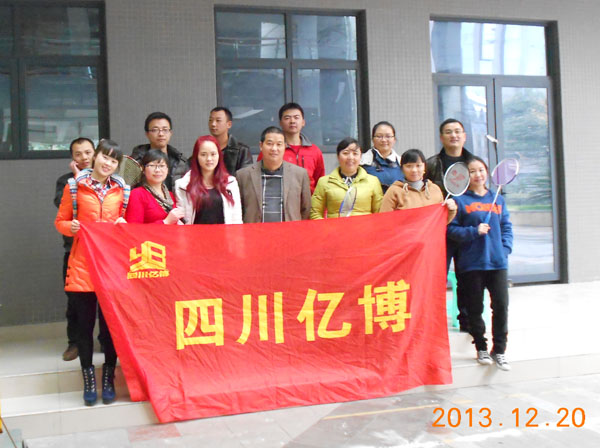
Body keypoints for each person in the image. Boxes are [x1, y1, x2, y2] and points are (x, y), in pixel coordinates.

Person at [55, 139, 127, 406]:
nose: (108, 163)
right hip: (83, 265)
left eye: (113, 160)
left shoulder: (122, 190)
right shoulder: (74, 186)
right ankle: (89, 380)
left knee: (110, 329)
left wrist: (124, 224)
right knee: (84, 327)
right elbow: (60, 221)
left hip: (111, 267)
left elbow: (126, 224)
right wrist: (69, 227)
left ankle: (108, 378)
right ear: (95, 157)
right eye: (105, 157)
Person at [448, 157, 513, 371]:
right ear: (466, 176)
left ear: (487, 172)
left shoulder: (498, 199)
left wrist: (504, 250)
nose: (478, 175)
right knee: (475, 308)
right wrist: (474, 231)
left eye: (481, 170)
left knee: (501, 306)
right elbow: (451, 230)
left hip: (497, 263)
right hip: (471, 264)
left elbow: (506, 227)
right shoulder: (459, 201)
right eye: (472, 171)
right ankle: (481, 347)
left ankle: (500, 350)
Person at [426, 118, 475, 331]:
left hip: (467, 229)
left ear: (464, 136)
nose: (453, 135)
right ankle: (433, 323)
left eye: (457, 131)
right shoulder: (431, 164)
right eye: (448, 132)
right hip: (440, 229)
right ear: (441, 137)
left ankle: (467, 321)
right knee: (436, 278)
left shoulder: (474, 164)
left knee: (467, 277)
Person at [54, 137, 95, 361]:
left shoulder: (107, 179)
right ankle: (75, 343)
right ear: (72, 158)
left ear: (95, 153)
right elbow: (62, 206)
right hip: (75, 251)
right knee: (75, 301)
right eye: (78, 154)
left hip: (102, 253)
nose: (84, 157)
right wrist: (79, 179)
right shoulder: (65, 181)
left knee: (106, 301)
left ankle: (105, 340)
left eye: (88, 152)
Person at [236, 126, 311, 223]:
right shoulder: (243, 175)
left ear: (285, 146)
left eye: (279, 144)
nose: (274, 148)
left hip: (289, 231)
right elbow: (238, 210)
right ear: (261, 146)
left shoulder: (300, 174)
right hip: (254, 231)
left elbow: (306, 209)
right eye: (269, 144)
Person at [257, 103, 325, 193]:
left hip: (309, 199)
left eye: (296, 117)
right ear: (280, 123)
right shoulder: (271, 150)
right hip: (281, 199)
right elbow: (259, 178)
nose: (292, 121)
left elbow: (320, 182)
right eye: (287, 118)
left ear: (303, 122)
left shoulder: (314, 151)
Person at [175, 135, 242, 224]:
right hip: (194, 233)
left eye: (213, 154)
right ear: (196, 157)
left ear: (219, 156)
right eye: (203, 154)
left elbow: (236, 219)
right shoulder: (183, 185)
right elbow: (181, 221)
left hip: (224, 232)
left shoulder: (230, 183)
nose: (209, 159)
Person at [311, 137, 383, 219]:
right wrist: (327, 227)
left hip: (365, 227)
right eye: (345, 153)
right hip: (334, 227)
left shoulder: (373, 181)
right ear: (338, 156)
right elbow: (315, 212)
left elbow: (379, 213)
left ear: (360, 157)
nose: (350, 157)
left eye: (355, 153)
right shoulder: (324, 182)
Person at [380, 148, 457, 223]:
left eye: (418, 165)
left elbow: (440, 221)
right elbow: (384, 221)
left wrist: (451, 211)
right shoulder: (394, 191)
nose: (414, 170)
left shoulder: (435, 189)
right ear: (402, 169)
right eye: (409, 166)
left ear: (424, 167)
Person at [131, 111, 189, 191]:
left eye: (165, 130)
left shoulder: (180, 161)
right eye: (155, 130)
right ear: (147, 134)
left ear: (170, 133)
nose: (161, 134)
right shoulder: (135, 161)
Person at [125, 150, 185, 224]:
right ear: (143, 169)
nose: (157, 170)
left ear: (167, 169)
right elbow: (134, 228)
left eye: (162, 166)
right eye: (152, 165)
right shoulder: (137, 194)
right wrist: (165, 222)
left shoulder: (170, 195)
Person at [360, 121, 404, 192]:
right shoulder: (361, 161)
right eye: (379, 136)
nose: (383, 140)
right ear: (372, 139)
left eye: (388, 136)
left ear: (394, 139)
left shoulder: (403, 163)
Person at [208, 106, 253, 175]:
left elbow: (245, 177)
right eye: (210, 120)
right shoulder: (204, 148)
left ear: (229, 124)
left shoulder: (242, 151)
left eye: (218, 120)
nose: (213, 124)